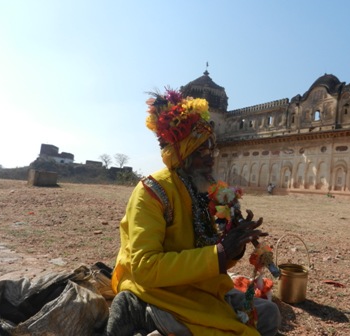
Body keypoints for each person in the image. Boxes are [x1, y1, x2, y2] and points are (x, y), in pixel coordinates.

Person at [105, 88, 281, 336]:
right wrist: (219, 254)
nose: (210, 159)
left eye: (212, 151)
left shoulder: (205, 192)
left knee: (269, 314)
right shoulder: (151, 192)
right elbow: (145, 268)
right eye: (201, 152)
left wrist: (235, 244)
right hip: (161, 291)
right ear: (182, 155)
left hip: (201, 288)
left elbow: (209, 249)